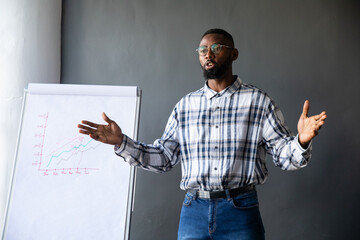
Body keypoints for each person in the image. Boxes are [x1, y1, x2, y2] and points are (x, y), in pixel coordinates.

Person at [77, 28, 327, 240]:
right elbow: (164, 158)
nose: (208, 54)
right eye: (202, 50)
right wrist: (121, 142)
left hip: (241, 210)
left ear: (233, 53)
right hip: (193, 210)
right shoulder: (185, 106)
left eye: (216, 47)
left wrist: (301, 141)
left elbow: (285, 156)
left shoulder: (258, 102)